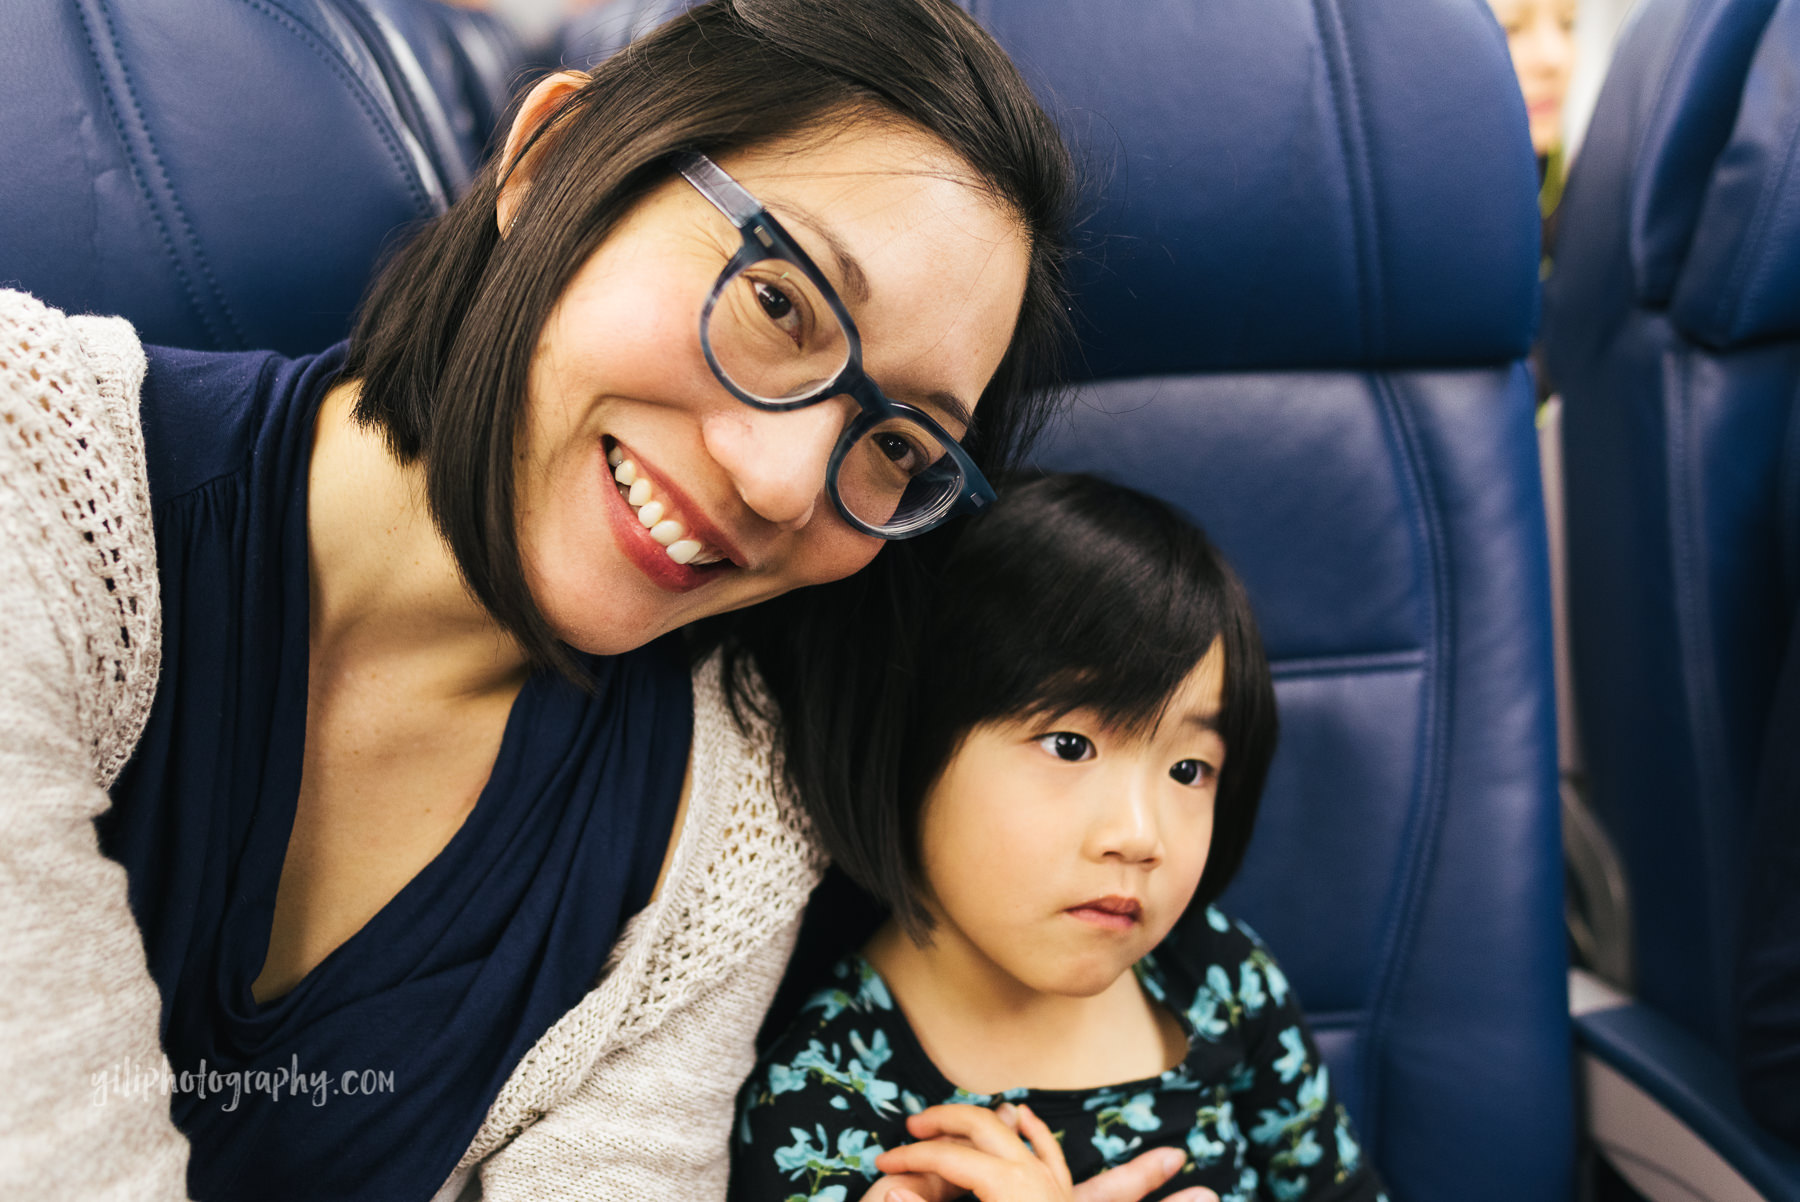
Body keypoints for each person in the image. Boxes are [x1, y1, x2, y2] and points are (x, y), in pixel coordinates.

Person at [0, 3, 1237, 1200]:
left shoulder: (735, 803)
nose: (783, 479)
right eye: (777, 301)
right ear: (549, 162)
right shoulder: (31, 459)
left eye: (900, 445)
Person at [730, 475, 1389, 1202]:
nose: (1140, 836)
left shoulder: (1216, 978)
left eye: (1189, 768)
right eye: (1070, 746)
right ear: (910, 741)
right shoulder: (820, 1110)